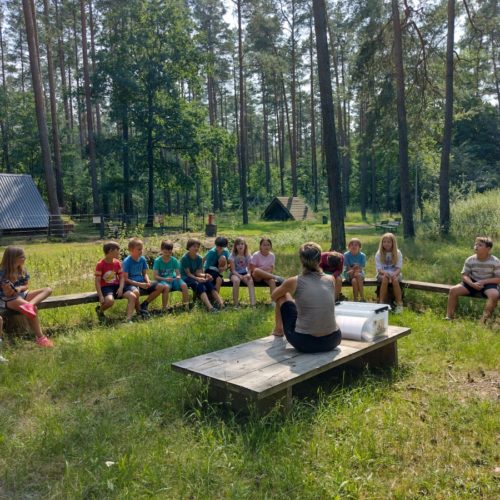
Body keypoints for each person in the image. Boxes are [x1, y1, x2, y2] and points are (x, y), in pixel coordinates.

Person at [270, 242, 342, 353]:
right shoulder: (331, 279)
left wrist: (289, 296)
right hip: (333, 340)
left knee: (282, 295)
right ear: (320, 260)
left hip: (306, 343)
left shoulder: (295, 281)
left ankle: (278, 330)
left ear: (301, 260)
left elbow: (274, 296)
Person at [0, 246, 53, 347]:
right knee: (33, 309)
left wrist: (19, 289)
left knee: (48, 289)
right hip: (7, 299)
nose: (25, 258)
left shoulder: (22, 270)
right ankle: (40, 338)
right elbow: (6, 294)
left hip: (21, 294)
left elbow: (26, 285)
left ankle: (29, 305)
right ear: (13, 258)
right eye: (22, 256)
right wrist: (8, 290)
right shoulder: (2, 272)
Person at [446, 236, 500, 323]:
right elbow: (464, 275)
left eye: (480, 245)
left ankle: (484, 321)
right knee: (453, 290)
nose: (476, 246)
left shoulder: (495, 261)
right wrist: (472, 284)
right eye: (475, 244)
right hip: (472, 282)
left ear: (488, 248)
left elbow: (498, 278)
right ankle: (449, 317)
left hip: (488, 283)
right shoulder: (470, 259)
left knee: (494, 295)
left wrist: (483, 281)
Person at [95, 241, 138, 323]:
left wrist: (121, 288)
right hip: (106, 287)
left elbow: (121, 277)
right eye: (117, 250)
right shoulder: (100, 264)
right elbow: (97, 281)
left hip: (117, 286)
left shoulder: (117, 262)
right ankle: (99, 311)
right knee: (110, 301)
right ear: (111, 251)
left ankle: (128, 320)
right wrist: (100, 296)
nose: (119, 252)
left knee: (133, 296)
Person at [122, 238, 165, 317]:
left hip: (142, 281)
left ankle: (145, 304)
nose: (141, 251)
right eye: (138, 249)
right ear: (131, 250)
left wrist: (148, 281)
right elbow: (126, 280)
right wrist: (140, 284)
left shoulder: (142, 259)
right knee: (136, 292)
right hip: (131, 284)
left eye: (141, 249)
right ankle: (139, 311)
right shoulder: (127, 261)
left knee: (161, 286)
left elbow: (145, 274)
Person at [180, 238, 224, 312]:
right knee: (198, 284)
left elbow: (198, 273)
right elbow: (188, 274)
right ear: (189, 247)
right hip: (185, 277)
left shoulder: (199, 258)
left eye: (198, 247)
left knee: (208, 282)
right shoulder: (185, 258)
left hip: (194, 276)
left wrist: (206, 275)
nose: (196, 248)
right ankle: (210, 308)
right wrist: (198, 279)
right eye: (194, 246)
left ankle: (221, 304)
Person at [153, 240, 190, 312]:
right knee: (166, 288)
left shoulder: (174, 260)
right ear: (161, 250)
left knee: (184, 285)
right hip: (162, 280)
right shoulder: (158, 261)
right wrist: (165, 279)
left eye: (169, 252)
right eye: (165, 252)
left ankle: (186, 305)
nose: (167, 254)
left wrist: (178, 276)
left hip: (172, 279)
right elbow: (155, 276)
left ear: (172, 251)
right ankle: (164, 308)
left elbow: (178, 273)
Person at [375, 233, 404, 313]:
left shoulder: (397, 253)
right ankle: (381, 303)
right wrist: (385, 273)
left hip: (395, 273)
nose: (386, 244)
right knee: (385, 279)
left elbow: (399, 268)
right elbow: (379, 269)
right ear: (382, 243)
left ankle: (399, 304)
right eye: (384, 242)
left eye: (388, 242)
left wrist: (394, 274)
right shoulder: (379, 253)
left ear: (393, 243)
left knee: (395, 280)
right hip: (382, 273)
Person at [229, 237, 256, 307]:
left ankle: (253, 304)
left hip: (245, 273)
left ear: (245, 245)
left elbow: (249, 268)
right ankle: (235, 304)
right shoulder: (232, 256)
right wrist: (239, 276)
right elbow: (233, 270)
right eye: (238, 244)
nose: (240, 246)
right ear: (235, 246)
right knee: (236, 281)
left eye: (242, 244)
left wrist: (249, 274)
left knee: (250, 281)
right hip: (234, 274)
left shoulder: (248, 255)